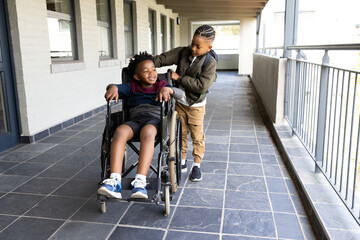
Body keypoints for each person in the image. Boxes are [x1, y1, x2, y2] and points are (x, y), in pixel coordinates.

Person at [98, 52, 183, 199]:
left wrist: (168, 89)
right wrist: (112, 88)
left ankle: (140, 181)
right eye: (146, 71)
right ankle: (114, 180)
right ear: (137, 77)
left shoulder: (161, 84)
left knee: (148, 132)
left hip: (154, 121)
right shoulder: (132, 86)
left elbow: (180, 94)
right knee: (120, 131)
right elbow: (115, 87)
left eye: (154, 69)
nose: (152, 73)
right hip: (135, 120)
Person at [153, 25, 217, 182]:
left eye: (198, 46)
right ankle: (181, 161)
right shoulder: (183, 52)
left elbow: (202, 86)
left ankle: (197, 164)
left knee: (197, 136)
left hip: (196, 105)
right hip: (179, 101)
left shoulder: (210, 62)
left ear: (209, 47)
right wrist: (144, 63)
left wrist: (178, 78)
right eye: (192, 44)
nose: (193, 48)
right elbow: (162, 59)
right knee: (180, 133)